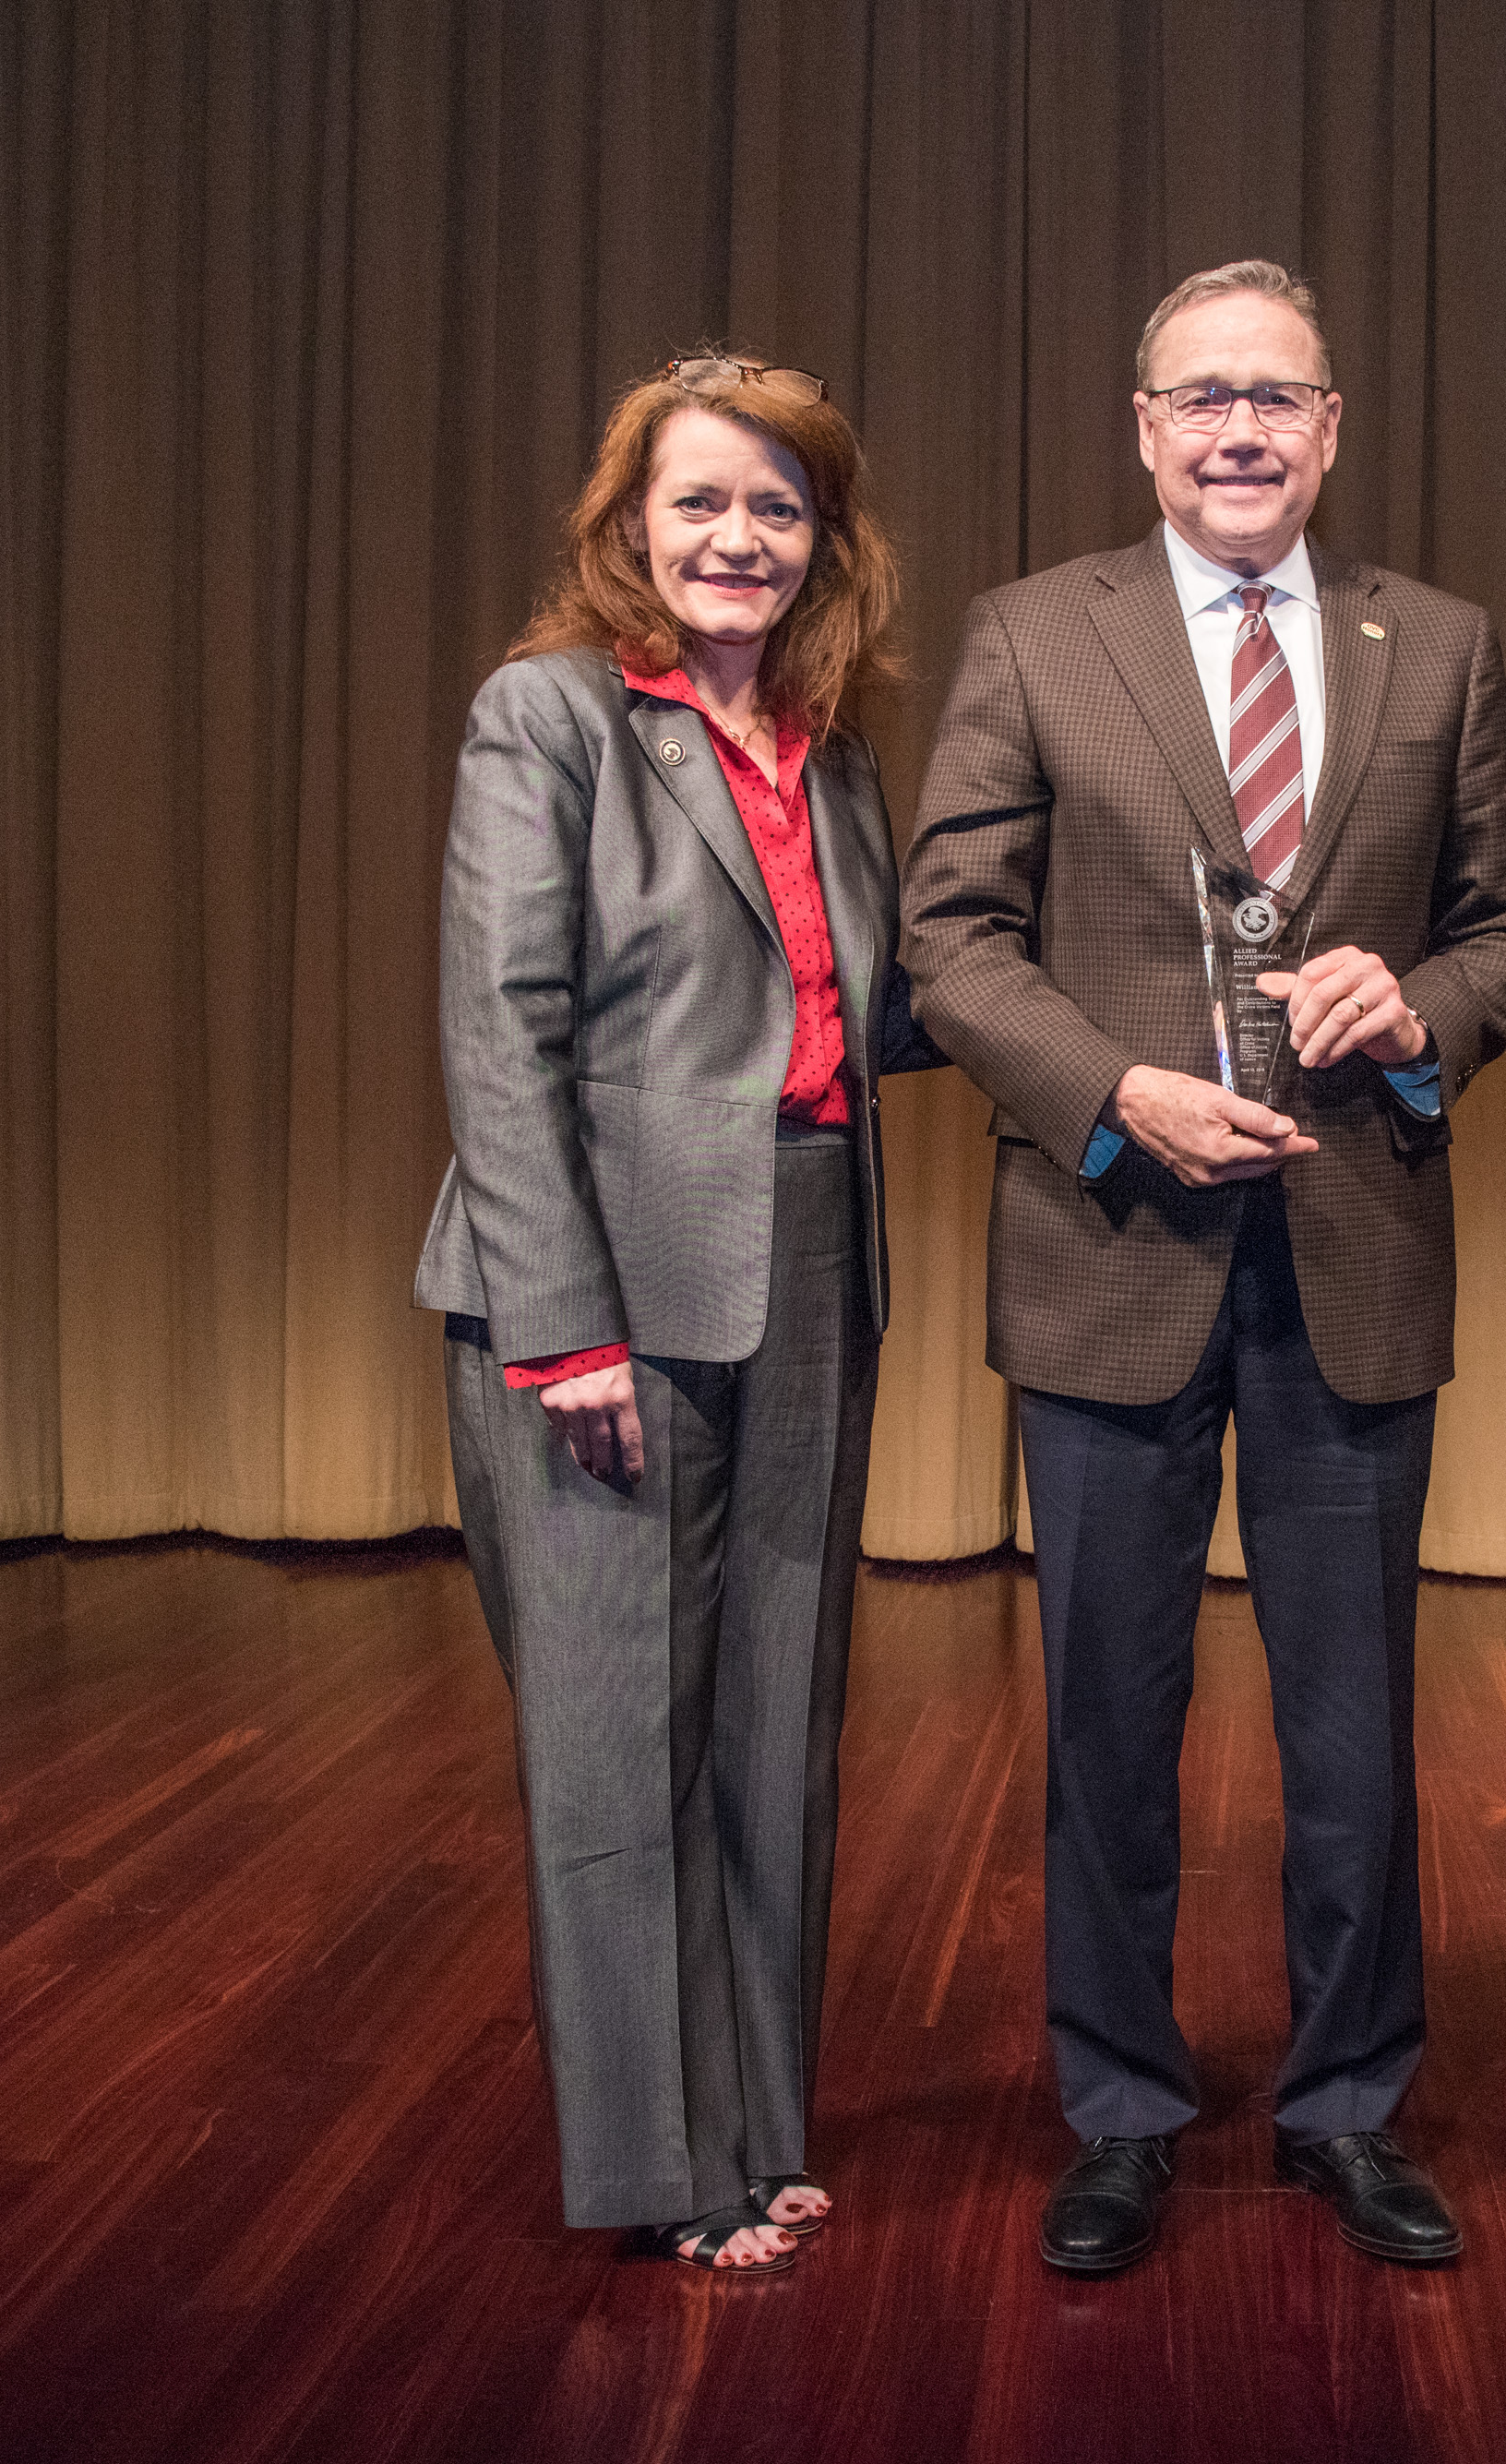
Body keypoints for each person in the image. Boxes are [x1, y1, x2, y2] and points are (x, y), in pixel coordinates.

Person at [902, 260, 1506, 2276]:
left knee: (1353, 1720)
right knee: (1108, 1713)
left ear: (1331, 424)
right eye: (1201, 396)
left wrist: (1420, 1003)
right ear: (1143, 425)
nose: (1240, 428)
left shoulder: (1436, 648)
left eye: (1276, 395)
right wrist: (1113, 1090)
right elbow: (948, 941)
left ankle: (1347, 2107)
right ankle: (1119, 2110)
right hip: (1111, 1238)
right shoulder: (1029, 636)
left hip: (1350, 1246)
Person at [417, 353, 938, 2275]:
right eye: (701, 502)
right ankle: (660, 2169)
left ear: (827, 544)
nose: (738, 538)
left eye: (777, 508)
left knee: (773, 1728)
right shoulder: (546, 717)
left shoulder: (835, 750)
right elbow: (502, 1026)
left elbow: (874, 1016)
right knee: (619, 1739)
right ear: (630, 525)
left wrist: (1107, 1000)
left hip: (805, 1259)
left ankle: (757, 2123)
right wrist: (557, 1325)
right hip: (599, 1286)